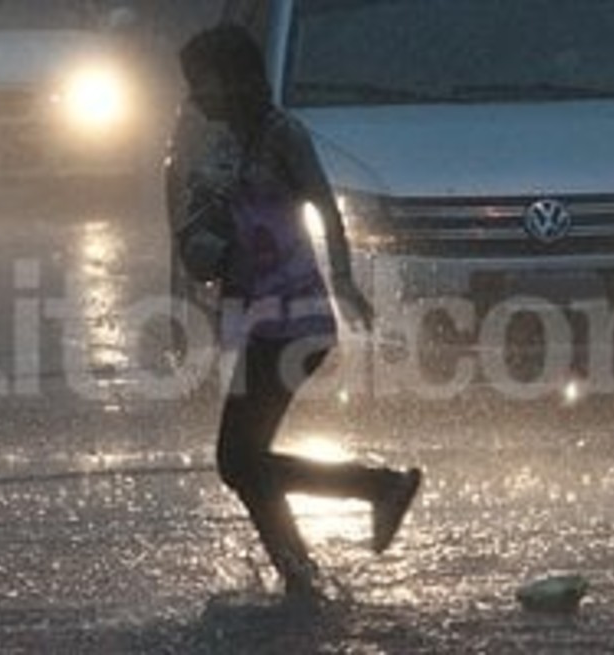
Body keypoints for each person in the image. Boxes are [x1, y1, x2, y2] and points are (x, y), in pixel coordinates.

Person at [177, 25, 423, 600]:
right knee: (241, 460)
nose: (196, 97)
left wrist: (343, 283)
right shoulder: (224, 144)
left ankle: (375, 492)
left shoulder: (283, 135)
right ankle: (301, 570)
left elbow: (325, 208)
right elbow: (204, 230)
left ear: (237, 78)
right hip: (262, 319)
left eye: (202, 83)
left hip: (298, 321)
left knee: (237, 458)